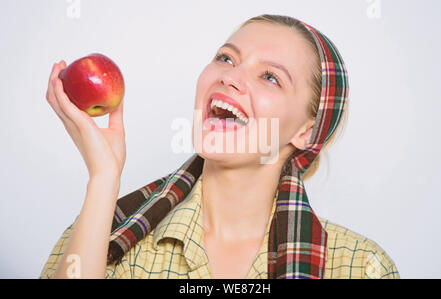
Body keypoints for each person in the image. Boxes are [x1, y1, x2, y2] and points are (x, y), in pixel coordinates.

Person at [40, 14, 399, 279]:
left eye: (270, 77)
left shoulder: (360, 265)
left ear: (307, 130)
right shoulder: (104, 230)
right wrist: (103, 177)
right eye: (226, 58)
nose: (230, 76)